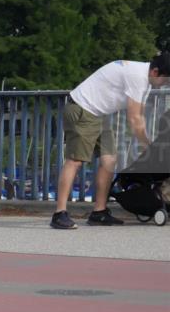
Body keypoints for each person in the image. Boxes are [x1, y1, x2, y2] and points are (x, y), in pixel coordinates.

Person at [51, 51, 170, 229]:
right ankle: (59, 214)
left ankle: (99, 212)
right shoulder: (137, 77)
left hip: (98, 114)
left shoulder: (145, 80)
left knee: (109, 159)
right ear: (155, 72)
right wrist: (148, 145)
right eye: (166, 80)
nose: (165, 84)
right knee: (75, 161)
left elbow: (140, 115)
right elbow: (134, 119)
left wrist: (148, 144)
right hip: (82, 109)